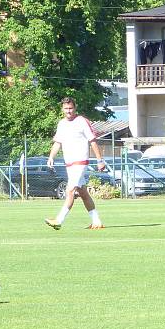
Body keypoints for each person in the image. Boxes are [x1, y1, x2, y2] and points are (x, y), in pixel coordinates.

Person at [44, 97, 107, 230]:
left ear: (75, 108)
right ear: (62, 109)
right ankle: (97, 221)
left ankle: (59, 220)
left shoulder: (82, 121)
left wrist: (100, 160)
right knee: (83, 193)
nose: (69, 111)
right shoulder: (61, 124)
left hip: (80, 162)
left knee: (70, 190)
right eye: (66, 108)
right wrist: (51, 157)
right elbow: (57, 143)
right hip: (70, 164)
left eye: (71, 108)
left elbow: (93, 141)